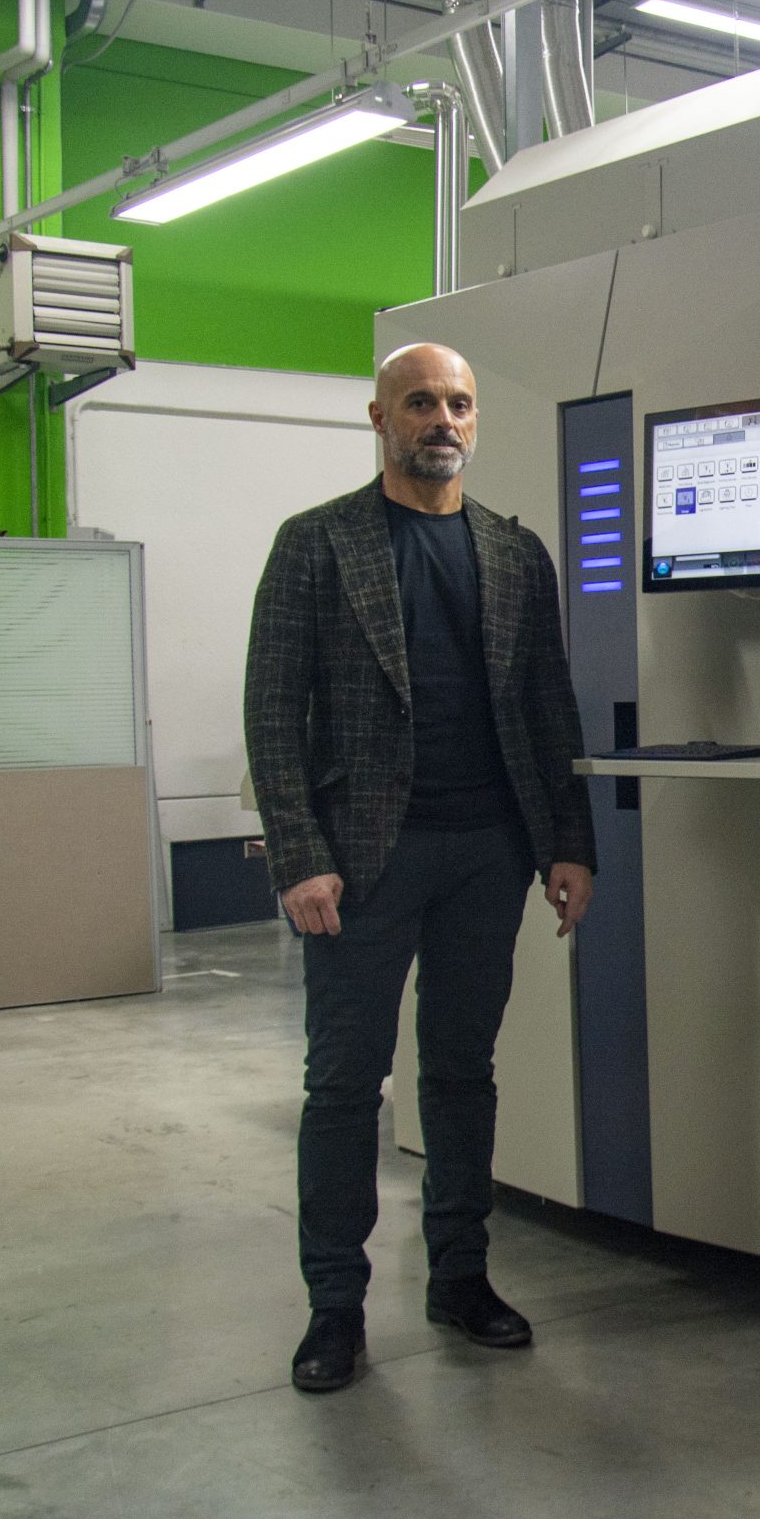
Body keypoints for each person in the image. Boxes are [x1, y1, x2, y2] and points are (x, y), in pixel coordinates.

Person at [245, 342, 596, 1394]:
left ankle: (461, 1276)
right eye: (420, 403)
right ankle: (334, 1307)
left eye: (459, 403)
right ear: (379, 418)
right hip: (361, 863)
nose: (442, 419)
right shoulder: (317, 545)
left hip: (487, 852)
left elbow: (548, 705)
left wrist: (568, 842)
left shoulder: (514, 552)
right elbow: (273, 712)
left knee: (461, 1073)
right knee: (345, 1084)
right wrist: (299, 857)